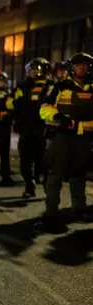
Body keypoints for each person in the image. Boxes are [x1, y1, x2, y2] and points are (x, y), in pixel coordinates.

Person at [39, 52, 93, 230]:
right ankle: (51, 211)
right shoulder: (60, 86)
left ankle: (79, 208)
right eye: (79, 65)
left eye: (85, 65)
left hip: (84, 137)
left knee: (79, 174)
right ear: (72, 68)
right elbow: (44, 108)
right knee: (56, 174)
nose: (82, 68)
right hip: (61, 136)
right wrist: (57, 116)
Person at [10, 58, 51, 198]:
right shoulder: (23, 86)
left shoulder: (51, 86)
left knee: (44, 161)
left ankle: (48, 189)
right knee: (25, 160)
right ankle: (29, 185)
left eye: (38, 69)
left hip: (44, 129)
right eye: (32, 69)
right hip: (26, 128)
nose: (35, 72)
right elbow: (12, 104)